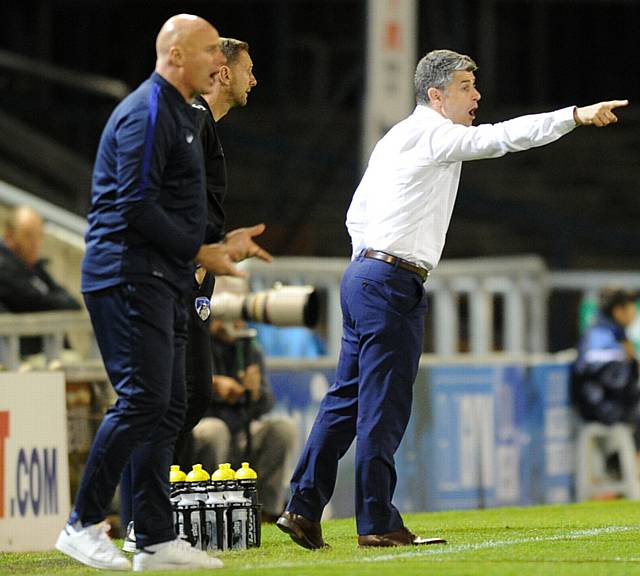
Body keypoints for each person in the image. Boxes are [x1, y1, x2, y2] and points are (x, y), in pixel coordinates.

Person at [276, 48, 628, 550]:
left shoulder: (396, 136)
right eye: (467, 85)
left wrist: (371, 260)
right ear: (436, 96)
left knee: (345, 401)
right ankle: (377, 521)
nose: (477, 94)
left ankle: (303, 508)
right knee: (384, 406)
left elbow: (356, 213)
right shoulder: (436, 133)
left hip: (364, 274)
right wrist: (572, 116)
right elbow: (502, 139)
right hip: (391, 281)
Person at [54, 15, 267, 572]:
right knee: (144, 401)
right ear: (175, 55)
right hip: (126, 273)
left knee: (170, 405)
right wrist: (201, 253)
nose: (215, 65)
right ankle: (81, 524)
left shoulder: (183, 114)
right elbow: (134, 205)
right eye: (205, 54)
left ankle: (152, 536)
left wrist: (213, 246)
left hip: (163, 276)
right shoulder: (148, 112)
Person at [190, 315, 297, 522]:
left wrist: (255, 393)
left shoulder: (248, 348)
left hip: (240, 432)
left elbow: (266, 403)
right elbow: (182, 389)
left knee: (283, 428)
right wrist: (211, 386)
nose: (234, 324)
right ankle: (213, 513)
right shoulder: (195, 342)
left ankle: (266, 513)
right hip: (199, 429)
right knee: (215, 429)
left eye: (239, 318)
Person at [0, 205, 81, 355]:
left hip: (48, 352)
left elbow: (71, 304)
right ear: (10, 236)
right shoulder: (4, 267)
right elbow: (35, 301)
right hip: (23, 357)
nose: (36, 243)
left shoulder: (35, 268)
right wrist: (49, 299)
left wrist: (49, 299)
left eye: (39, 236)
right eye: (28, 235)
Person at [571, 289, 640, 451]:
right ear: (618, 311)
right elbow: (613, 379)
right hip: (600, 404)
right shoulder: (599, 335)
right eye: (631, 310)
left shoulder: (617, 334)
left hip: (615, 401)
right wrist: (632, 367)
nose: (634, 314)